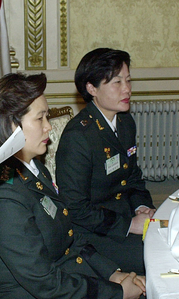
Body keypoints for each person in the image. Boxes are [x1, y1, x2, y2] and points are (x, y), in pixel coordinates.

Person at [0, 73, 145, 299]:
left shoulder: (32, 168)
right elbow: (46, 284)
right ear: (11, 126)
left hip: (69, 279)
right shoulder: (2, 197)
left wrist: (111, 273)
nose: (49, 127)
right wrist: (116, 293)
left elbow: (70, 238)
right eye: (40, 118)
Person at [55, 48, 155, 275]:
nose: (127, 89)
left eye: (128, 80)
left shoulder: (125, 122)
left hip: (123, 216)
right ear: (92, 89)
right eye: (116, 82)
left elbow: (133, 177)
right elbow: (76, 209)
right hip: (91, 234)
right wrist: (129, 225)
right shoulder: (78, 137)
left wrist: (142, 207)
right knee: (156, 256)